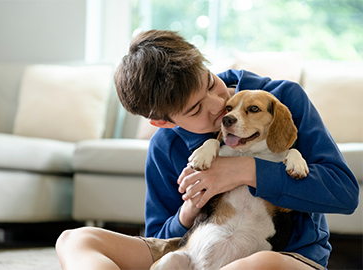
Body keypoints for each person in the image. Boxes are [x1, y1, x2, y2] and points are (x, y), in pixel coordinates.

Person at [55, 30, 359, 270]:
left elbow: (345, 194)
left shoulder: (283, 98)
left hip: (282, 254)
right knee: (74, 239)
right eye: (196, 108)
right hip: (192, 248)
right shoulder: (165, 146)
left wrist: (244, 171)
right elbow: (161, 237)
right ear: (163, 122)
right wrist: (190, 207)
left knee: (260, 265)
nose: (218, 107)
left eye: (211, 83)